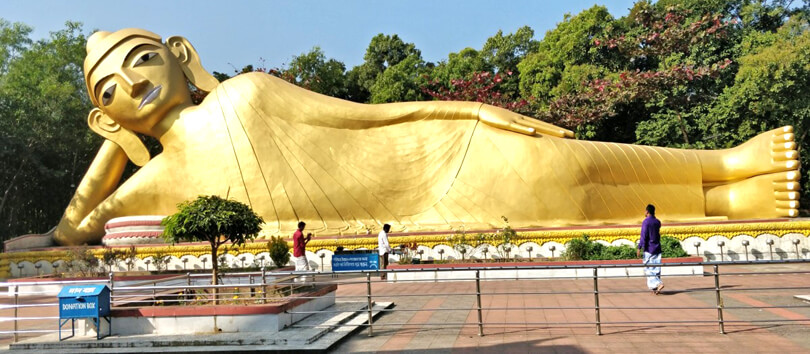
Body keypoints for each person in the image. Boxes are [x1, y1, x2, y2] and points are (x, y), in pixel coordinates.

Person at [51, 28, 800, 246]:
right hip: (426, 218)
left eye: (141, 60)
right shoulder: (160, 179)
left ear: (182, 57)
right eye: (109, 89)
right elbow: (72, 231)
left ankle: (724, 163)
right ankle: (736, 204)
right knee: (567, 199)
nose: (131, 83)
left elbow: (370, 117)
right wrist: (115, 138)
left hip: (430, 165)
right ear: (107, 116)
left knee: (565, 164)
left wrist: (469, 112)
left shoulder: (248, 92)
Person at [638, 204, 664, 294]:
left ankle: (658, 283)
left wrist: (639, 247)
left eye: (645, 211)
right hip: (657, 247)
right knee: (656, 268)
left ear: (647, 211)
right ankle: (655, 288)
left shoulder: (646, 222)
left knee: (648, 268)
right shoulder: (657, 222)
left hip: (649, 248)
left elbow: (644, 235)